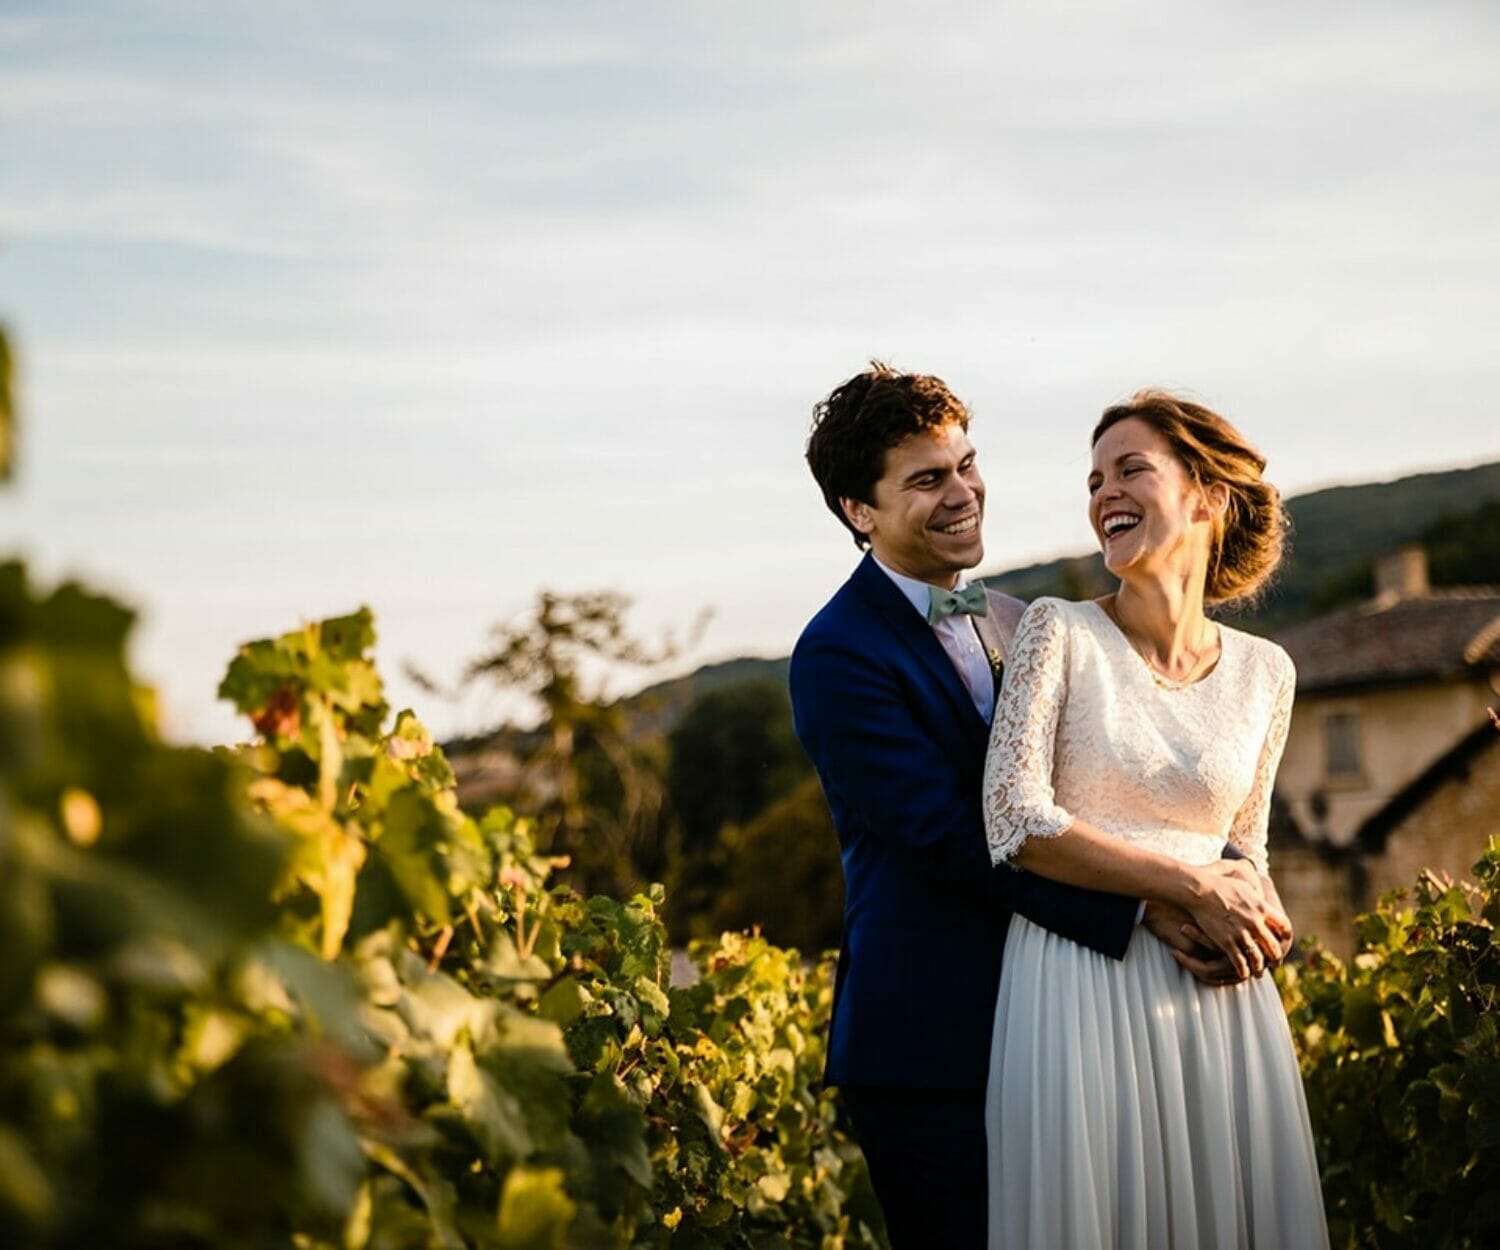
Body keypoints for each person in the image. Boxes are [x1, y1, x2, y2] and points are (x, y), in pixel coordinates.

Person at [788, 365, 1287, 1249]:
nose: (962, 493)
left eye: (966, 465)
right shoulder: (836, 653)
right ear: (858, 512)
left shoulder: (1020, 619)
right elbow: (948, 836)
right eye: (927, 479)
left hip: (1082, 1016)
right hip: (933, 1039)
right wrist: (1150, 903)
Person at [982, 389, 1329, 1249]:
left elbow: (1246, 846)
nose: (1105, 494)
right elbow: (1014, 821)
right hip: (1078, 986)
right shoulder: (1055, 632)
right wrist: (1180, 885)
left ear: (1207, 496)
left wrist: (1259, 922)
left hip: (1217, 999)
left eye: (1131, 469)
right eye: (1095, 480)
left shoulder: (1267, 671)